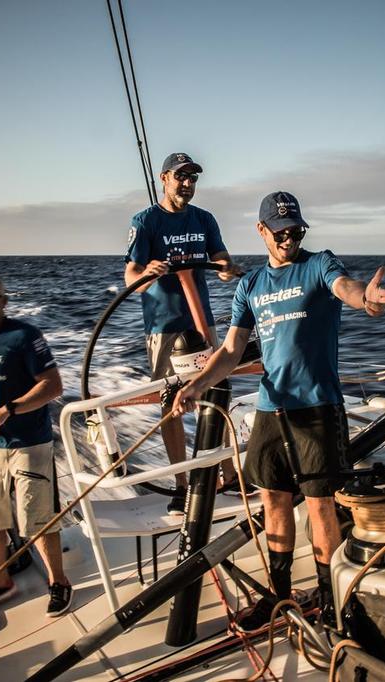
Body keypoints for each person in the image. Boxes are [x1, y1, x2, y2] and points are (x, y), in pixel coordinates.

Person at [171, 191, 385, 626]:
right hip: (272, 409)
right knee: (272, 498)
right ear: (262, 230)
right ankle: (279, 595)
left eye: (295, 230)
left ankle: (330, 602)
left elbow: (344, 288)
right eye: (280, 231)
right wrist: (196, 385)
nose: (288, 237)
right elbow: (232, 350)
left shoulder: (319, 264)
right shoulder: (250, 285)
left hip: (317, 407)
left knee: (319, 505)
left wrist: (363, 299)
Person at [124, 152, 244, 514]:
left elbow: (222, 260)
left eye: (193, 179)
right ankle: (181, 484)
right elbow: (131, 278)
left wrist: (226, 269)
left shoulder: (204, 219)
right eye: (181, 178)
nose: (188, 184)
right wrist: (149, 272)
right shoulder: (145, 221)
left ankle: (228, 474)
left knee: (215, 392)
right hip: (163, 327)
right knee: (171, 403)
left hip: (201, 321)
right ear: (165, 178)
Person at [0, 271, 73, 617]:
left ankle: (59, 583)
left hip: (29, 442)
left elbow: (52, 386)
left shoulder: (24, 336)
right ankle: (1, 582)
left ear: (4, 301)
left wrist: (8, 411)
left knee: (37, 518)